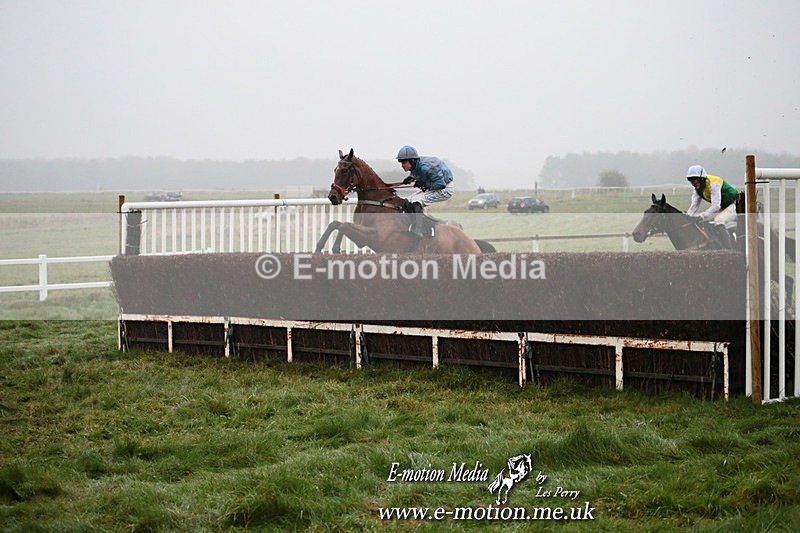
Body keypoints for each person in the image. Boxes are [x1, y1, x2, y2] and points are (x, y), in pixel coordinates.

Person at [396, 145, 455, 237]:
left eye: (403, 162)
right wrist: (410, 178)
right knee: (407, 201)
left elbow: (441, 184)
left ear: (412, 160)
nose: (402, 165)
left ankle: (419, 229)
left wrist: (424, 184)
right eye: (401, 162)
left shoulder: (426, 167)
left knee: (416, 201)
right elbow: (417, 173)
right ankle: (415, 224)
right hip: (436, 187)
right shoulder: (415, 165)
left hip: (445, 189)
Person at [685, 164, 739, 247]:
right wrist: (687, 216)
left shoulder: (714, 184)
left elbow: (716, 206)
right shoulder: (697, 189)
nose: (693, 184)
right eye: (691, 181)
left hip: (735, 204)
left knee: (718, 220)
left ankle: (728, 250)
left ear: (702, 179)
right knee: (700, 220)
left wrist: (702, 215)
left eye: (695, 181)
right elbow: (694, 205)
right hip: (722, 207)